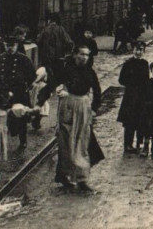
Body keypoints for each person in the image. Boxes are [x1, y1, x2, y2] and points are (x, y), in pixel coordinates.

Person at [55, 44, 103, 193]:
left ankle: (82, 179)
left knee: (82, 142)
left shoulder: (89, 71)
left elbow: (97, 90)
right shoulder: (66, 69)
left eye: (87, 55)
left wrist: (94, 108)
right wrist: (40, 102)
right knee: (65, 142)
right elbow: (53, 83)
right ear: (75, 55)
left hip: (83, 106)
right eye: (81, 54)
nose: (84, 58)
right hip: (68, 106)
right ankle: (64, 175)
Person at [0, 35, 36, 151]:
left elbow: (32, 75)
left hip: (19, 93)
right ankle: (1, 143)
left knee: (21, 117)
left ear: (17, 46)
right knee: (2, 118)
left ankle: (23, 141)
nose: (10, 48)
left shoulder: (24, 59)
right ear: (4, 46)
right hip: (3, 92)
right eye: (7, 45)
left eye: (12, 45)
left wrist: (26, 85)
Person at [117, 41, 150, 153]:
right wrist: (132, 84)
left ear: (144, 51)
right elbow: (121, 80)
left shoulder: (145, 63)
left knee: (140, 119)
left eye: (141, 50)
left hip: (142, 96)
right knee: (129, 120)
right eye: (137, 49)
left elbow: (146, 79)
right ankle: (128, 144)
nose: (138, 52)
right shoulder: (128, 63)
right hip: (130, 96)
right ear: (133, 50)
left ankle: (138, 144)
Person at [36, 15, 74, 87]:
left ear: (50, 20)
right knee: (58, 75)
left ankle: (49, 88)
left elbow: (38, 41)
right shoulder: (60, 29)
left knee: (48, 74)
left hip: (47, 57)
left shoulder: (45, 30)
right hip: (58, 56)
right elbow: (69, 43)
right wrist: (66, 51)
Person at [29, 66, 51, 131]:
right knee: (40, 112)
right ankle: (36, 122)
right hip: (41, 101)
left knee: (37, 113)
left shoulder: (35, 84)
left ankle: (36, 122)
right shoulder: (44, 85)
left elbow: (32, 91)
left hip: (35, 100)